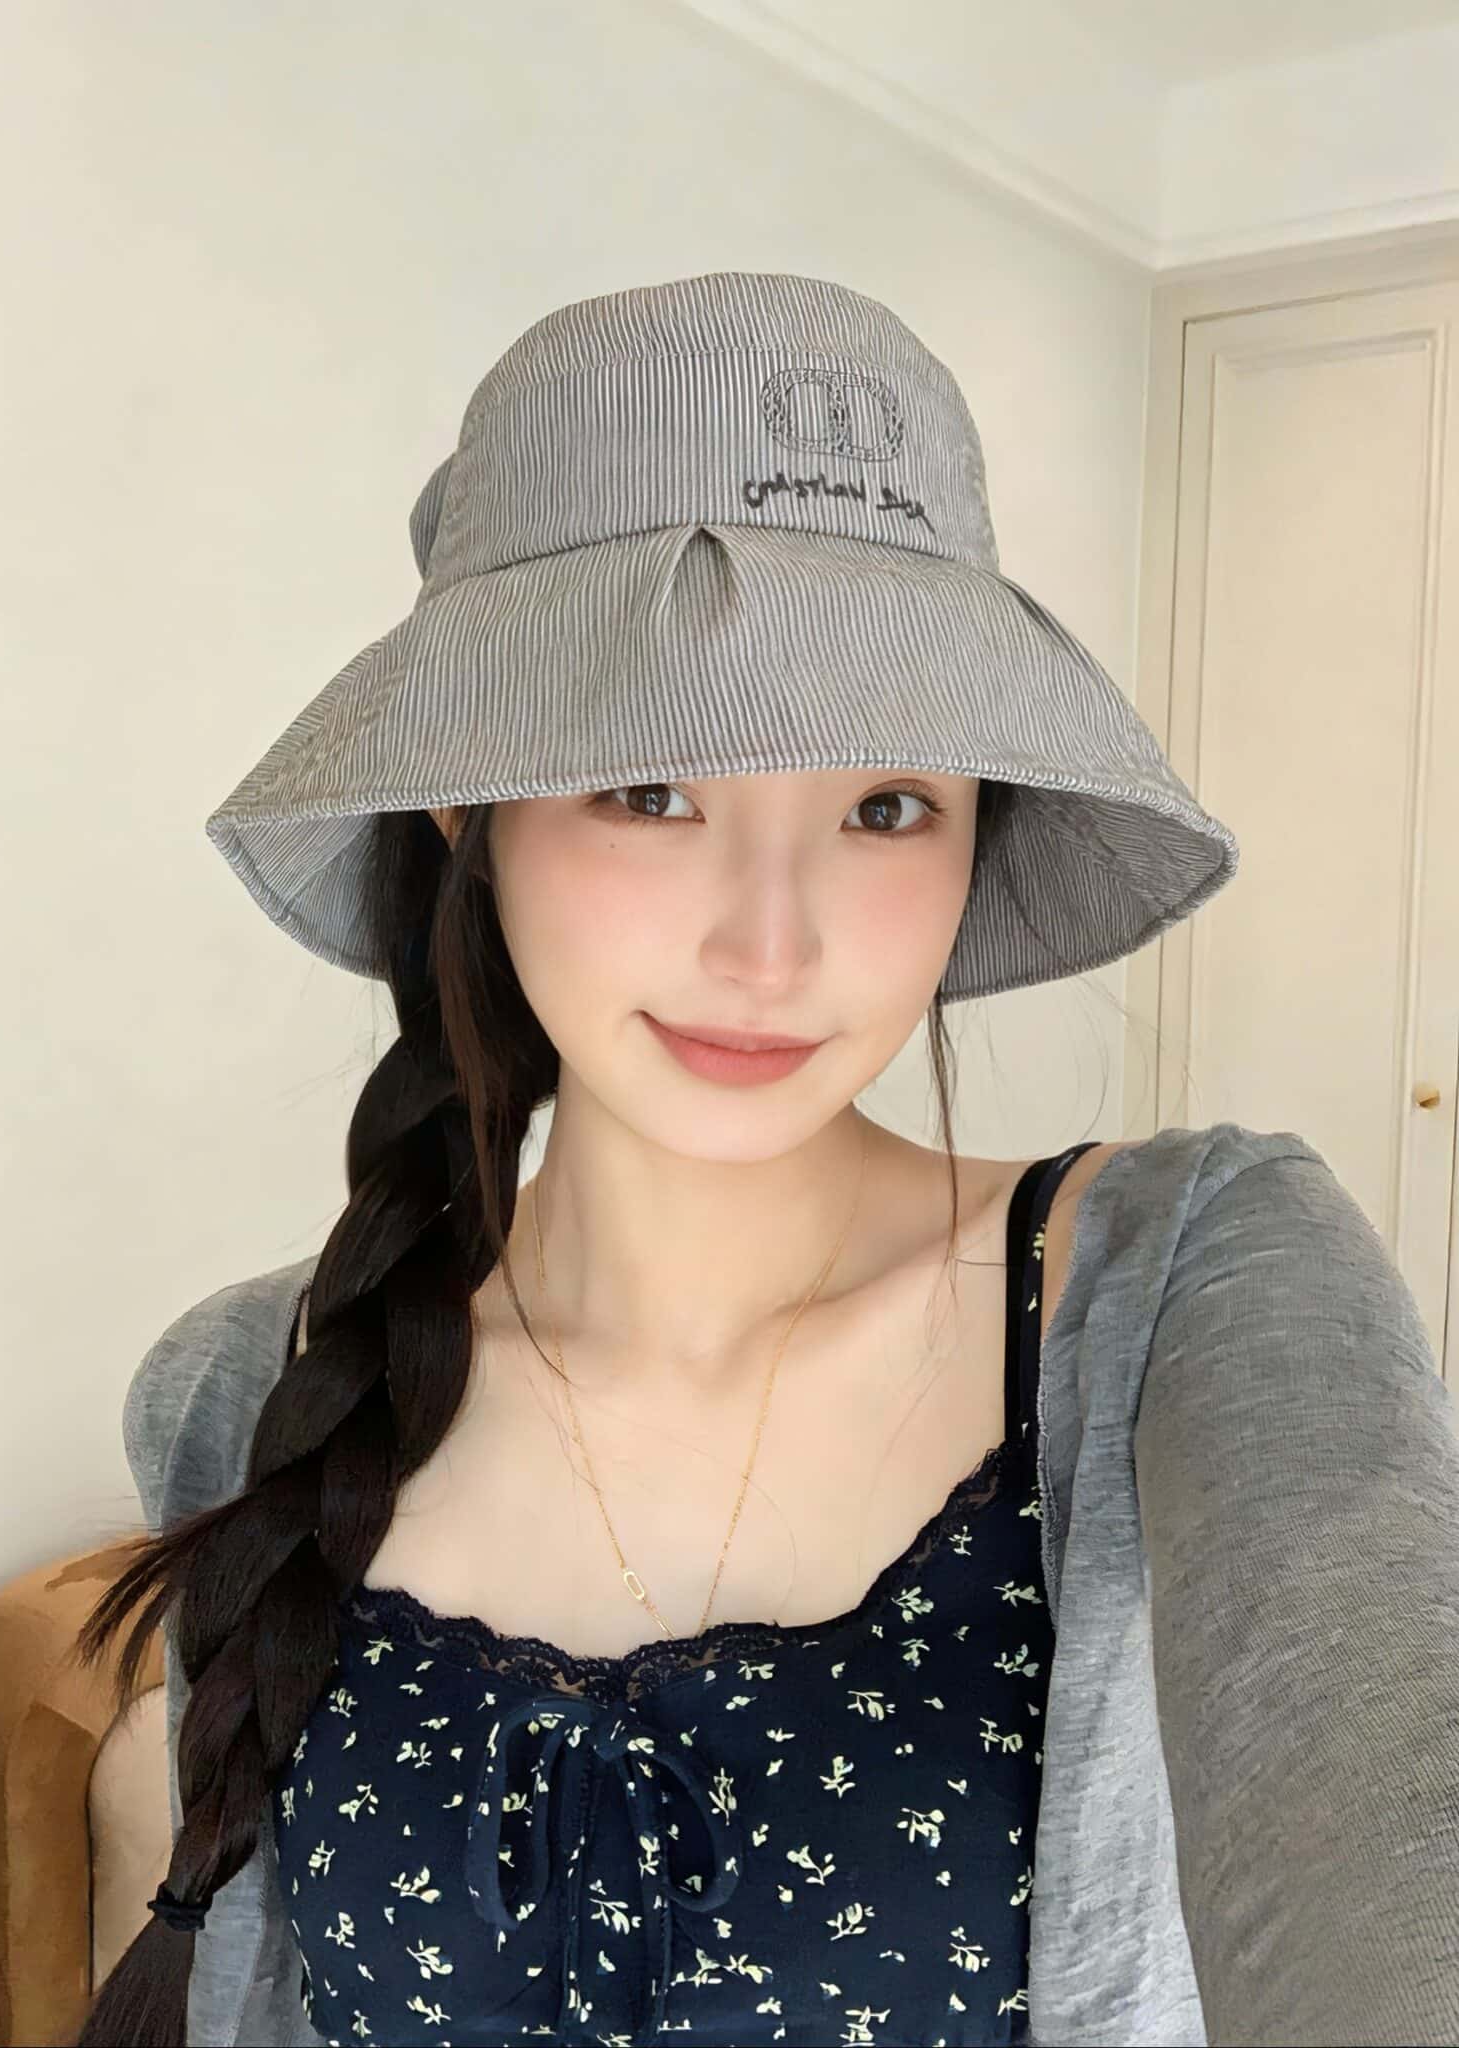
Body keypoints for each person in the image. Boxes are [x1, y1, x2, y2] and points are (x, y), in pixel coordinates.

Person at [76, 272, 1459, 2048]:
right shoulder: (241, 1392)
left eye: (887, 807)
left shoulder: (1184, 1291)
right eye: (654, 790)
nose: (774, 946)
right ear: (462, 796)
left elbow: (1382, 1817)